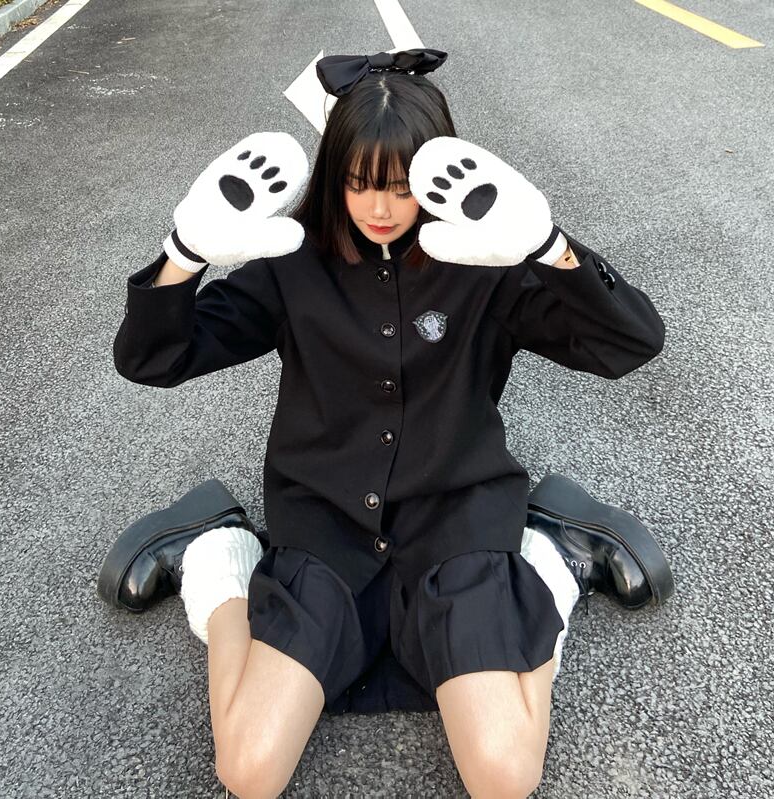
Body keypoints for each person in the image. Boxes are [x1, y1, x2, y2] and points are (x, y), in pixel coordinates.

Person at [99, 49, 673, 799]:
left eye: (401, 187)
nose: (379, 207)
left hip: (454, 524)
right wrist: (183, 254)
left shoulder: (487, 260)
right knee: (248, 771)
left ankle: (549, 561)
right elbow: (154, 358)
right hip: (327, 529)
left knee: (504, 776)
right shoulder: (293, 264)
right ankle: (217, 556)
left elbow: (628, 343)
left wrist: (547, 246)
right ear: (333, 177)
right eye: (359, 182)